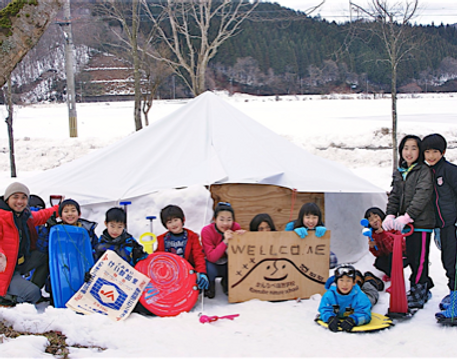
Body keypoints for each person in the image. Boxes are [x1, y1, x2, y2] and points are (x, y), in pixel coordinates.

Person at [383, 135, 435, 310]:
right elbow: (395, 195)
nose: (409, 152)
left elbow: (423, 195)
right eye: (406, 148)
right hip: (406, 224)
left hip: (420, 222)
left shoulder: (423, 171)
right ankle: (424, 285)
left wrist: (408, 215)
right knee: (411, 257)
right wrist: (390, 214)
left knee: (419, 259)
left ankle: (419, 289)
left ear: (419, 151)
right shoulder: (400, 171)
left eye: (413, 148)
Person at [0, 183, 60, 306]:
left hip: (17, 265)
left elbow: (41, 216)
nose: (20, 201)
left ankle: (29, 288)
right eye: (15, 197)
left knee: (43, 256)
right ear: (7, 199)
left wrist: (60, 209)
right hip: (4, 271)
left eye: (23, 197)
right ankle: (7, 299)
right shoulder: (2, 217)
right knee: (33, 294)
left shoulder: (23, 216)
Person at [422, 134, 457, 321]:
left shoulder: (450, 171)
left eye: (435, 151)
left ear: (443, 152)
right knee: (447, 262)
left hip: (453, 226)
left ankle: (456, 305)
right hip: (440, 227)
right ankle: (454, 295)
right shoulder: (428, 172)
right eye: (427, 151)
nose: (431, 155)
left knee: (454, 264)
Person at [157, 205, 209, 291]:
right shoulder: (163, 239)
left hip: (188, 272)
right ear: (165, 225)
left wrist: (201, 272)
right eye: (169, 222)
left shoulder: (192, 237)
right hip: (170, 274)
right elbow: (159, 258)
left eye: (176, 220)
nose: (174, 224)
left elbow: (198, 255)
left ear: (182, 220)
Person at [201, 203, 245, 298]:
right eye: (221, 219)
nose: (225, 223)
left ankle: (227, 282)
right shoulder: (206, 231)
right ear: (214, 219)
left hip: (228, 262)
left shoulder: (235, 227)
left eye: (229, 220)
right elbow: (211, 257)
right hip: (212, 263)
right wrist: (225, 241)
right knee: (209, 269)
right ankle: (210, 285)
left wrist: (244, 236)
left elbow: (240, 251)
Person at [318, 265, 373, 333]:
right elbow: (324, 310)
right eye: (341, 280)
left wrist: (354, 320)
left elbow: (365, 315)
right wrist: (329, 318)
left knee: (371, 295)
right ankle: (359, 276)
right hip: (352, 290)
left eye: (348, 280)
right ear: (336, 282)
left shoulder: (361, 297)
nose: (344, 284)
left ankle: (370, 280)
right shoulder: (329, 296)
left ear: (353, 282)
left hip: (364, 294)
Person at [285, 203, 338, 269]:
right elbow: (284, 244)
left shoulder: (321, 228)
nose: (311, 221)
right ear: (302, 217)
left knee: (332, 258)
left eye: (314, 218)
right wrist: (293, 233)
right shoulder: (292, 226)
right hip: (296, 257)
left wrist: (323, 236)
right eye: (308, 217)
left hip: (314, 258)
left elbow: (326, 249)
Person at [364, 207, 407, 280]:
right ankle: (390, 274)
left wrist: (383, 234)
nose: (374, 221)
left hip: (401, 255)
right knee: (379, 262)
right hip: (388, 256)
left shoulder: (391, 227)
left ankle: (395, 277)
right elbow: (379, 254)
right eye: (371, 220)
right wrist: (373, 247)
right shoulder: (373, 234)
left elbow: (392, 248)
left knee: (391, 257)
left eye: (376, 217)